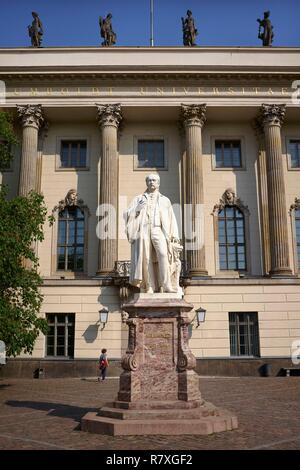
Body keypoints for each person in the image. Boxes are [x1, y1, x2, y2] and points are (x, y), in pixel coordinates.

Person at [125, 174, 182, 294]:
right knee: (146, 258)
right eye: (149, 180)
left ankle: (166, 285)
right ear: (146, 183)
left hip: (158, 230)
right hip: (144, 230)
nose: (152, 182)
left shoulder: (165, 200)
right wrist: (137, 209)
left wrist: (175, 236)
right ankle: (149, 286)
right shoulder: (138, 199)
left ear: (158, 183)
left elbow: (171, 219)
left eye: (154, 180)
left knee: (163, 254)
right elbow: (126, 214)